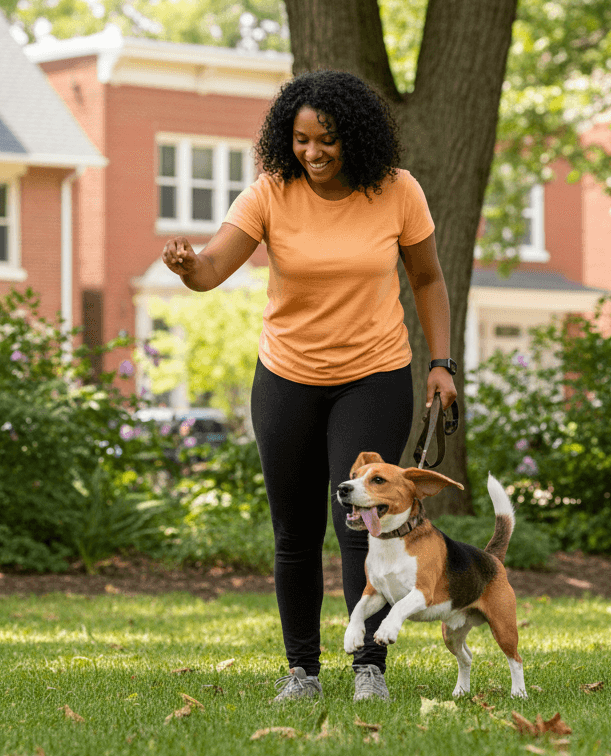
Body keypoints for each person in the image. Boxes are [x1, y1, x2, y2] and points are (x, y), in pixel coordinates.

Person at [161, 69, 457, 703]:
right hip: (287, 378)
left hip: (373, 374)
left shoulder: (398, 191)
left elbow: (429, 281)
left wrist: (442, 363)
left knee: (363, 524)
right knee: (293, 532)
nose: (313, 154)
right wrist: (189, 268)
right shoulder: (270, 193)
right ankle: (302, 671)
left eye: (326, 141)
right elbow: (214, 266)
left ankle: (369, 668)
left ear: (354, 137)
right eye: (300, 141)